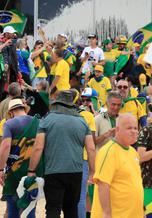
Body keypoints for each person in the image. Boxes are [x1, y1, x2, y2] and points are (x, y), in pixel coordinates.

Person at [27, 90, 96, 218]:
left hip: (53, 172)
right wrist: (92, 172)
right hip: (75, 172)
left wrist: (31, 170)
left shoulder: (47, 120)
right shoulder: (82, 121)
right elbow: (91, 149)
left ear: (56, 103)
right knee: (71, 210)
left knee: (53, 209)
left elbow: (38, 147)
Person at [91, 114, 144, 218]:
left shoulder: (133, 152)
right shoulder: (108, 151)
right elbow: (103, 184)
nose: (134, 131)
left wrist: (142, 210)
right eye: (129, 128)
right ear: (118, 130)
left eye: (135, 128)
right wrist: (106, 214)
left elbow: (136, 183)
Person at [0, 99, 40, 218]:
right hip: (33, 172)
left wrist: (1, 169)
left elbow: (6, 146)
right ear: (23, 109)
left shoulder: (9, 124)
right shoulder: (38, 122)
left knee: (12, 210)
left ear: (11, 112)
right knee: (29, 209)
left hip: (14, 173)